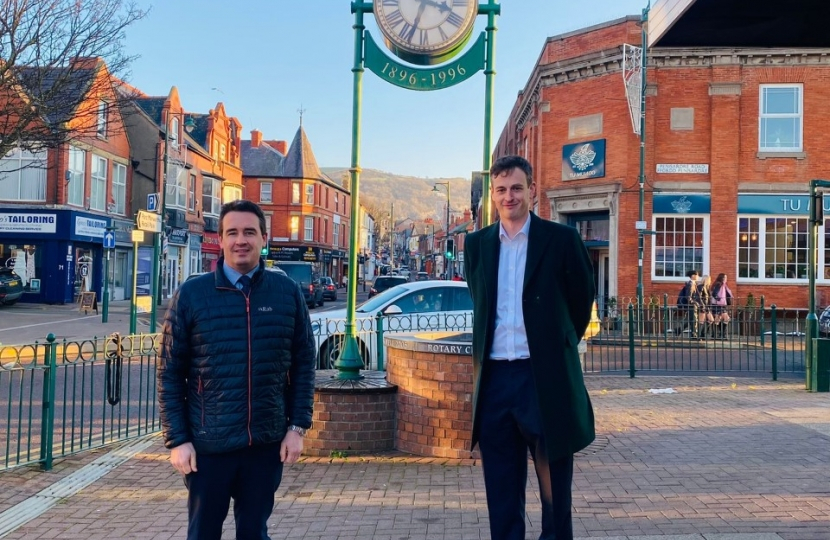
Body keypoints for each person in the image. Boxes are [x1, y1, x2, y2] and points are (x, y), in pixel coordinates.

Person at [157, 200, 316, 540]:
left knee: (254, 532)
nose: (240, 240)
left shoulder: (286, 292)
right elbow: (170, 372)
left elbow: (303, 363)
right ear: (221, 239)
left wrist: (297, 427)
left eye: (249, 232)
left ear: (263, 238)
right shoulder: (192, 295)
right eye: (232, 232)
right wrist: (178, 440)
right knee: (203, 534)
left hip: (265, 443)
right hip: (207, 446)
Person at [464, 155, 596, 540]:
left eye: (517, 188)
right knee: (502, 500)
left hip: (543, 381)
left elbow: (580, 302)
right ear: (493, 195)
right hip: (495, 384)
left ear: (532, 191)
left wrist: (553, 344)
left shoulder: (562, 241)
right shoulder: (477, 245)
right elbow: (482, 303)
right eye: (502, 190)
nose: (510, 197)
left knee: (555, 499)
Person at [710, 273, 734, 338]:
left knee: (723, 319)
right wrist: (719, 299)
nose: (726, 279)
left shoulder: (723, 285)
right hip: (718, 304)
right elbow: (714, 293)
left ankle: (721, 334)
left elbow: (727, 294)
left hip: (721, 304)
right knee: (719, 319)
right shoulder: (719, 284)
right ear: (722, 278)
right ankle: (718, 334)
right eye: (725, 278)